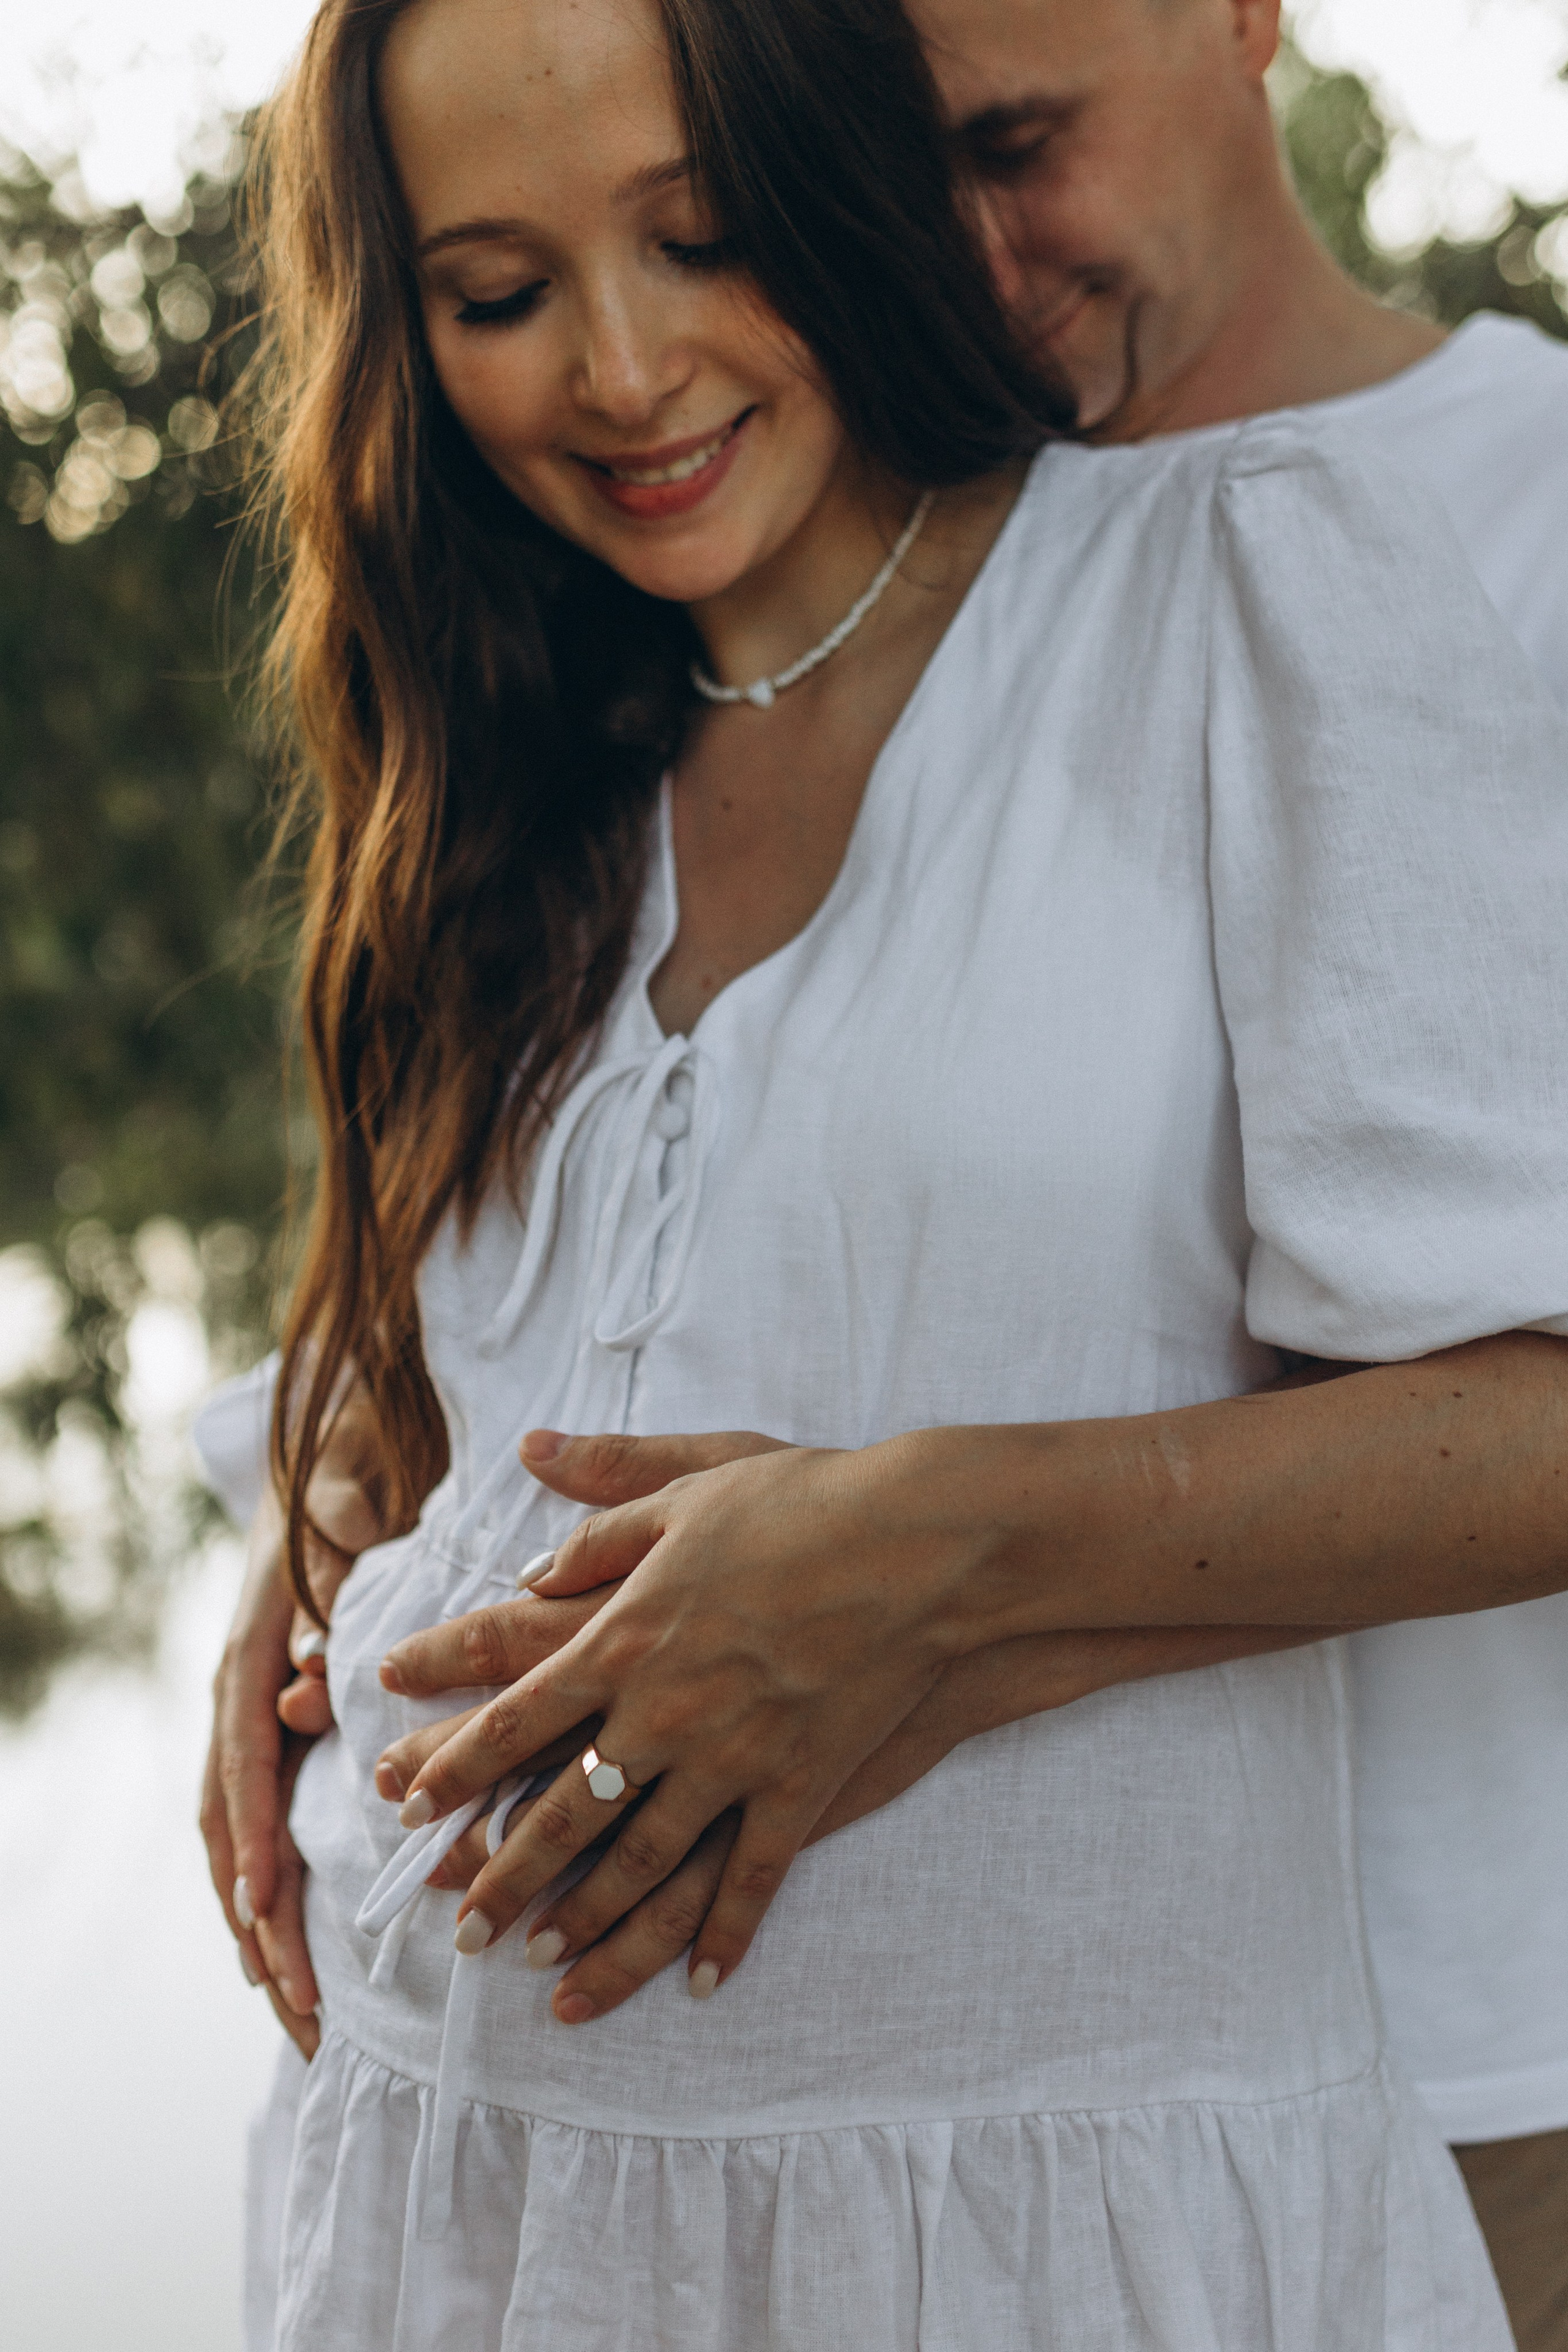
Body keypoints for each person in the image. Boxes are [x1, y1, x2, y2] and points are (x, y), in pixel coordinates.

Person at [198, 0, 1568, 2335]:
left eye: (703, 238)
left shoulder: (1255, 582)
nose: (623, 371)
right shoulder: (512, 758)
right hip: (464, 2223)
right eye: (499, 292)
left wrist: (927, 1555)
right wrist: (330, 1539)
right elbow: (483, 1373)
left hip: (1093, 2220)